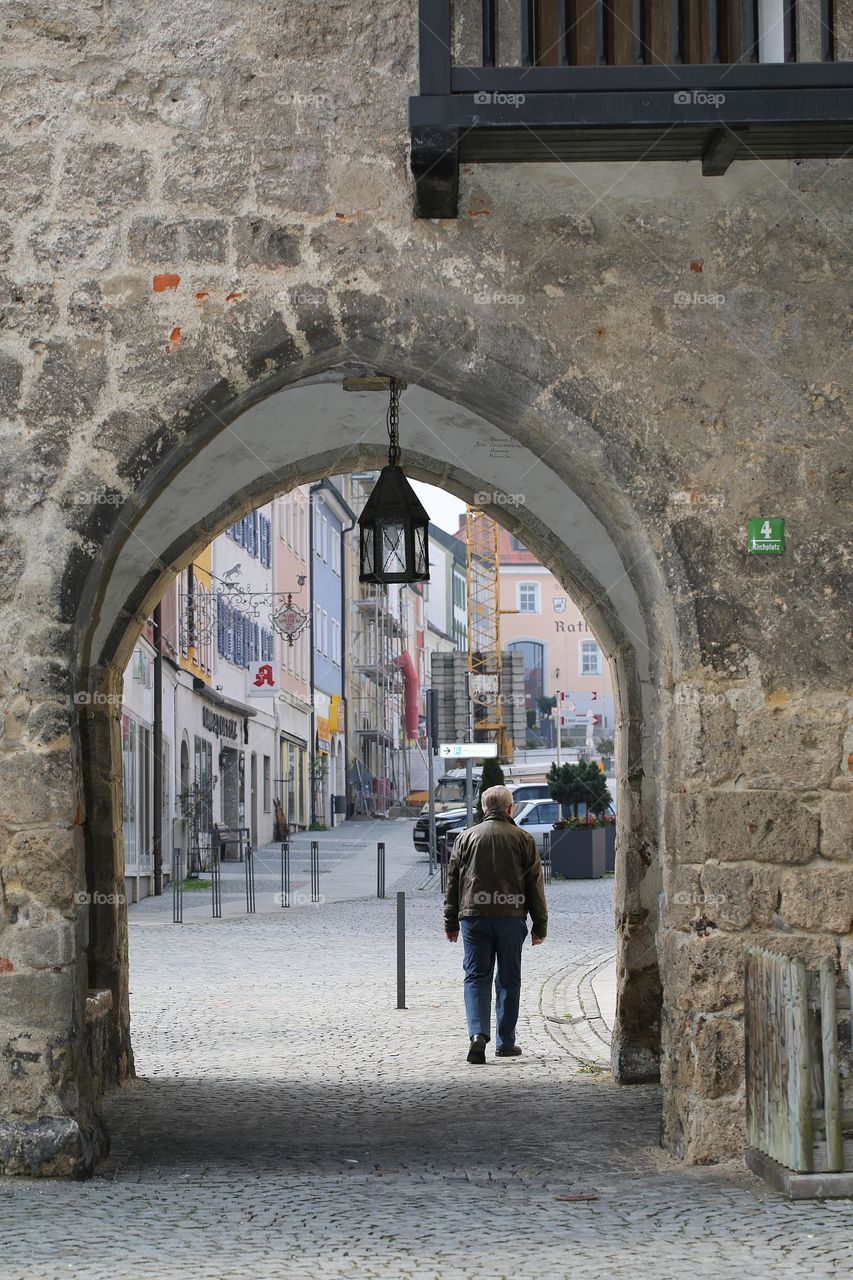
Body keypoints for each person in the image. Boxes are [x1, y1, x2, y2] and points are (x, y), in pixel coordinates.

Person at [443, 784, 548, 1064]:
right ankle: (505, 1042)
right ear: (510, 809)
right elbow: (534, 885)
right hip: (511, 918)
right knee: (509, 978)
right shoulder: (523, 839)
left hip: (473, 916)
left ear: (483, 809)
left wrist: (450, 921)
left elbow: (452, 883)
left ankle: (478, 1034)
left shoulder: (465, 838)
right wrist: (540, 925)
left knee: (476, 976)